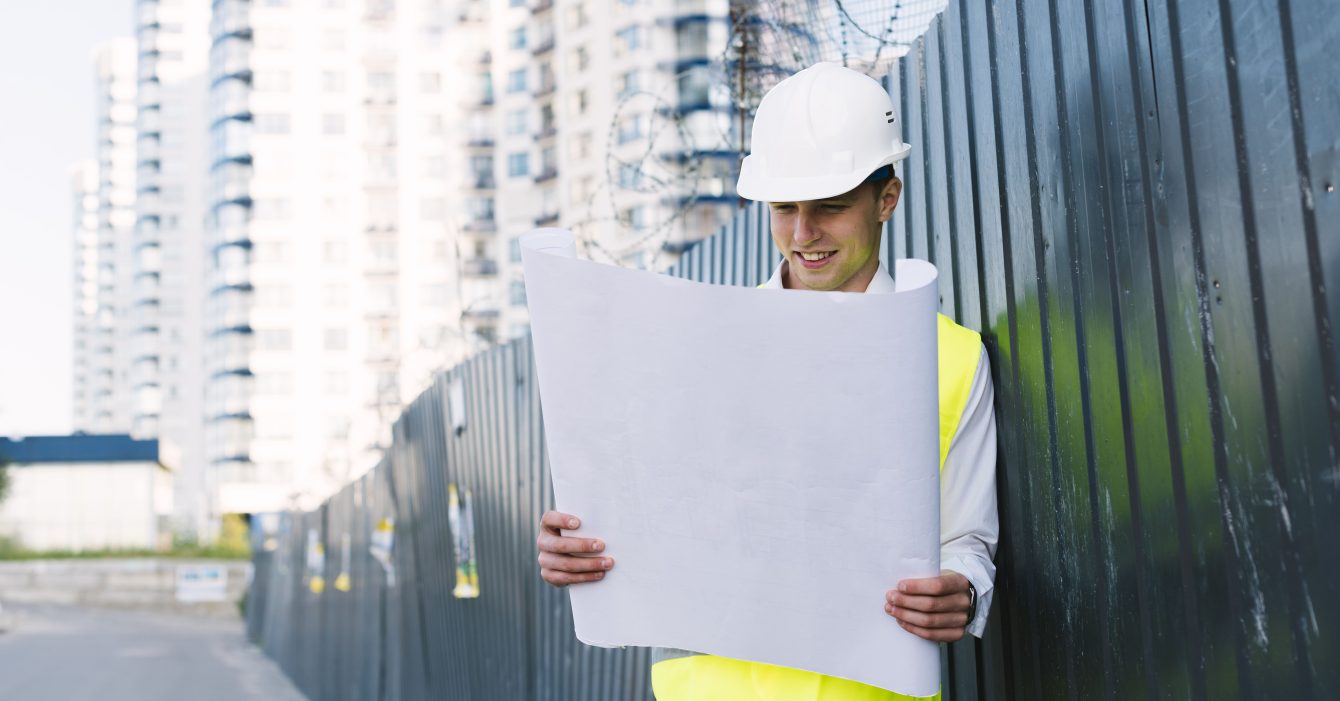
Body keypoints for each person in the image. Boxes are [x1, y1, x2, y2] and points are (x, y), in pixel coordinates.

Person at [535, 62, 998, 700]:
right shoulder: (697, 349)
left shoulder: (953, 358)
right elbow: (640, 519)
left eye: (830, 208)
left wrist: (964, 591)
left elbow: (967, 538)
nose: (803, 235)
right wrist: (574, 548)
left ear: (885, 199)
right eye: (785, 209)